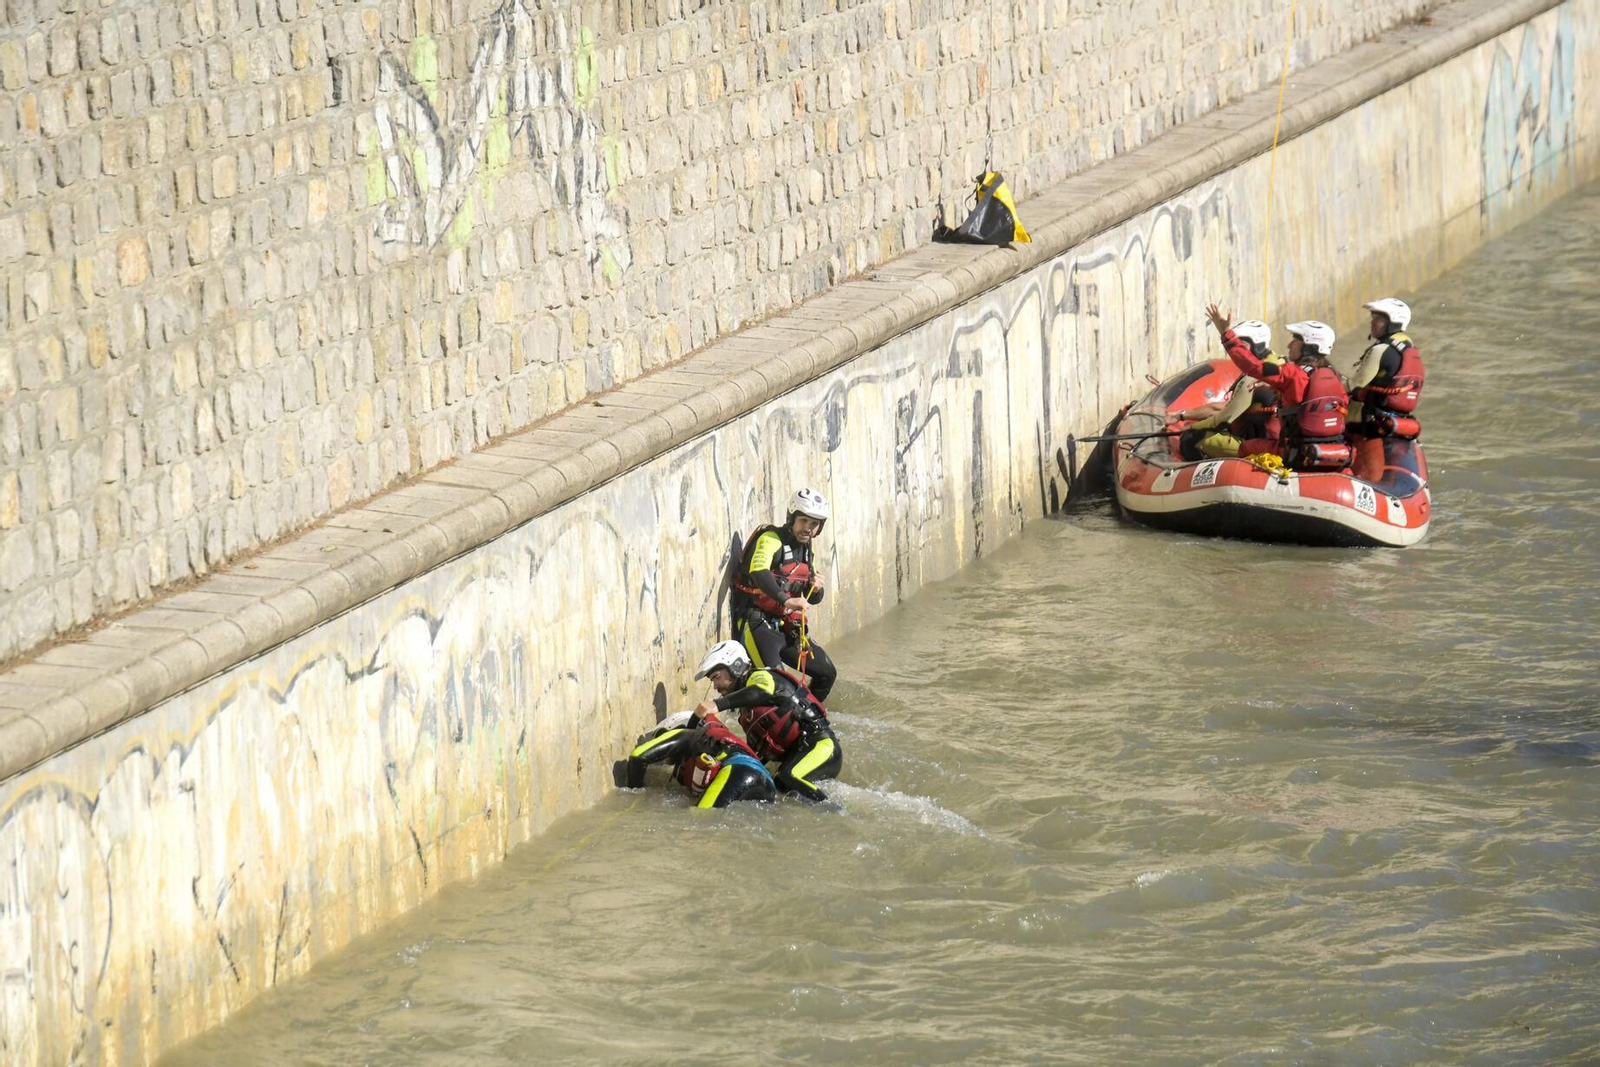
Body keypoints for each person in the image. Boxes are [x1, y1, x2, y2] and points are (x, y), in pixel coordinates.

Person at [691, 640, 842, 803]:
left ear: (735, 666)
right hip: (800, 754)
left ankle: (835, 812)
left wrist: (717, 704)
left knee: (787, 777)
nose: (715, 686)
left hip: (822, 747)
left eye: (716, 677)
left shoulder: (760, 677)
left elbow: (763, 690)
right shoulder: (746, 712)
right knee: (776, 784)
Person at [1206, 305, 1351, 471]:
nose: (1289, 345)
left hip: (1293, 450)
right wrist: (1277, 387)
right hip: (1332, 448)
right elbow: (1308, 398)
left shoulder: (1292, 374)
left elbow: (1254, 367)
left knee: (1247, 447)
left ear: (1308, 346)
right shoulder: (1334, 376)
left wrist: (1227, 335)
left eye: (1295, 340)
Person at [731, 488, 837, 700]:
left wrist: (816, 588)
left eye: (814, 524)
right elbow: (758, 571)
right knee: (779, 687)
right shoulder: (771, 538)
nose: (808, 528)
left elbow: (813, 598)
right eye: (803, 521)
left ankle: (806, 717)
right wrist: (786, 599)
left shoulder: (806, 550)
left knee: (826, 673)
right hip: (757, 625)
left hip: (785, 627)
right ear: (792, 518)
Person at [1168, 319, 1285, 459]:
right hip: (1277, 441)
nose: (1236, 352)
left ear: (1257, 345)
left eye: (1242, 346)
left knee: (1190, 438)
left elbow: (1225, 418)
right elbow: (1226, 408)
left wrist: (1192, 428)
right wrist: (1183, 414)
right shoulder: (1280, 364)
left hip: (1264, 445)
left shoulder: (1254, 377)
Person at [615, 710, 777, 809]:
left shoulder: (684, 734)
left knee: (701, 817)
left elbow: (638, 757)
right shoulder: (711, 742)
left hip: (740, 771)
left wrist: (634, 793)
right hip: (767, 784)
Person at [1348, 297, 1423, 439]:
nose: (1372, 322)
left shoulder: (1381, 350)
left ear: (1392, 323)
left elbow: (1353, 385)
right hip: (1399, 420)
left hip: (1373, 422)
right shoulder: (1409, 346)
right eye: (1373, 318)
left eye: (1378, 319)